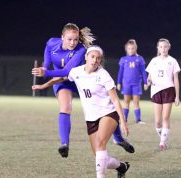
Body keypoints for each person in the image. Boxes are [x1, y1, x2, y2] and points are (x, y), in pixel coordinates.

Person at [33, 46, 131, 178]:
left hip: (108, 113)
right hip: (91, 118)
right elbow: (60, 78)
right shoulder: (76, 72)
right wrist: (44, 86)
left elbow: (115, 100)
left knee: (101, 143)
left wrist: (123, 122)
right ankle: (121, 167)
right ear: (86, 57)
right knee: (99, 155)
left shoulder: (103, 75)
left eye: (98, 58)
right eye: (92, 57)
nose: (95, 60)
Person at [32, 23, 134, 157]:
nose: (73, 42)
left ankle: (119, 139)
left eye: (75, 39)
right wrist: (45, 66)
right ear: (62, 37)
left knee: (106, 109)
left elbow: (66, 71)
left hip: (81, 80)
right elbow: (48, 50)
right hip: (63, 81)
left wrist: (46, 73)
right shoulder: (52, 43)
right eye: (69, 39)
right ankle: (64, 145)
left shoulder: (80, 50)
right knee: (65, 107)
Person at [146, 38, 180, 150]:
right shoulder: (154, 61)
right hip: (156, 90)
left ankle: (162, 142)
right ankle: (163, 138)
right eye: (161, 47)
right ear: (158, 48)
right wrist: (148, 83)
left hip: (168, 90)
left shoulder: (173, 61)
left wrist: (177, 96)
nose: (163, 49)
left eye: (165, 46)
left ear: (168, 47)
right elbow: (149, 77)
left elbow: (175, 79)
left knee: (165, 117)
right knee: (158, 121)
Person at [117, 39, 148, 124]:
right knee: (126, 102)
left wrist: (145, 82)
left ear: (135, 49)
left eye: (133, 48)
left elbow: (143, 71)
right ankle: (124, 120)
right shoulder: (123, 59)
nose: (131, 50)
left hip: (136, 84)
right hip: (126, 84)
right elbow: (120, 72)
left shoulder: (140, 59)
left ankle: (138, 120)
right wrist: (118, 82)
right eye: (129, 48)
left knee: (136, 102)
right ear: (126, 49)